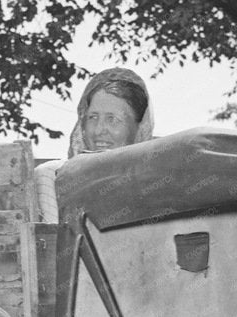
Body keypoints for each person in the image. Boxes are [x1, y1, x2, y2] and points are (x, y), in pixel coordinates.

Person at [36, 67, 155, 222]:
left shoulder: (156, 180)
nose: (99, 130)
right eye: (93, 117)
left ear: (139, 127)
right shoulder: (54, 176)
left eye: (112, 119)